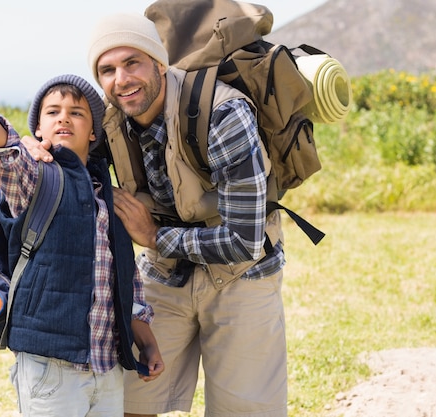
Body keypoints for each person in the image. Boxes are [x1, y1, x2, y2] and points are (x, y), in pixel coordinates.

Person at [83, 13, 287, 417]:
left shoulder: (224, 113)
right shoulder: (109, 121)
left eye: (132, 63)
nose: (121, 80)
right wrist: (33, 149)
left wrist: (155, 236)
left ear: (159, 62)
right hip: (165, 273)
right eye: (107, 70)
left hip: (241, 275)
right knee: (128, 403)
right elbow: (67, 163)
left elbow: (243, 240)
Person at [0, 74, 164, 417]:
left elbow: (126, 285)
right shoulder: (36, 179)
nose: (64, 117)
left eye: (77, 113)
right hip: (50, 367)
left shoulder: (108, 199)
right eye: (53, 112)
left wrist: (148, 344)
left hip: (107, 367)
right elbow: (3, 149)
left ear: (94, 132)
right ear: (38, 129)